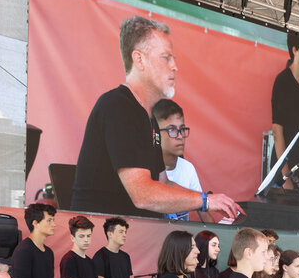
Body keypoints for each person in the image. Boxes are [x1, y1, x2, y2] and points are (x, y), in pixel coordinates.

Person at [72, 16, 241, 220]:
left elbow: (162, 183)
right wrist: (205, 201)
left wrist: (210, 201)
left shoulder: (148, 117)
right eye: (166, 58)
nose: (174, 67)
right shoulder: (117, 107)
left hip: (134, 235)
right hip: (102, 239)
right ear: (139, 59)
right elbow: (143, 195)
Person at [271, 31, 299, 200]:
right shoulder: (282, 81)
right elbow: (277, 132)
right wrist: (286, 175)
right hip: (285, 170)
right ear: (294, 50)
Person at [152, 99, 202, 222]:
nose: (180, 136)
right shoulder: (144, 171)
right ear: (155, 134)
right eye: (172, 130)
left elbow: (203, 211)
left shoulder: (188, 168)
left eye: (182, 129)